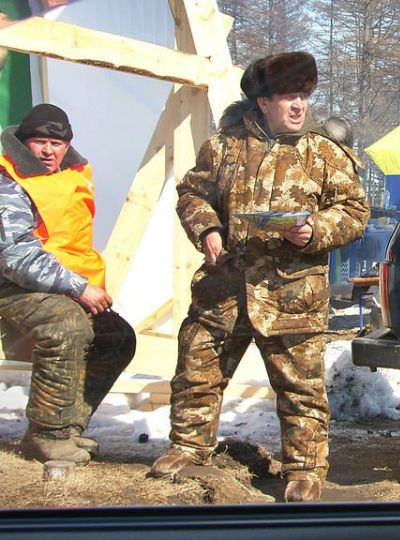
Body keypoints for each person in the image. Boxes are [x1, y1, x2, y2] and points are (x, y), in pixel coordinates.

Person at [149, 51, 370, 503]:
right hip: (224, 290)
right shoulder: (224, 146)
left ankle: (304, 470)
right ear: (263, 102)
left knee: (301, 390)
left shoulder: (323, 153)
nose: (299, 105)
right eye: (289, 97)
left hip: (292, 295)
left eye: (304, 96)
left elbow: (354, 211)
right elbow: (192, 193)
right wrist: (207, 229)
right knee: (197, 372)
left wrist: (314, 230)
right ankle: (189, 447)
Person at [0, 104, 136, 464]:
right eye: (39, 142)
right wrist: (77, 288)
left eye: (56, 144)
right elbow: (14, 256)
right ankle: (47, 434)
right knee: (66, 325)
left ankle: (69, 427)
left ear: (67, 145)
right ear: (23, 142)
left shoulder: (73, 176)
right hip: (12, 286)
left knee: (117, 336)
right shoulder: (7, 181)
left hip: (58, 285)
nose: (48, 151)